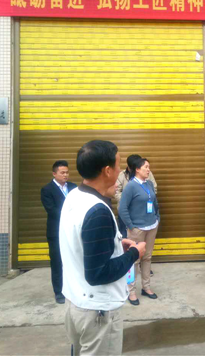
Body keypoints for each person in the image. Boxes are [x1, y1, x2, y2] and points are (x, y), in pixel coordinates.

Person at [59, 140, 146, 356]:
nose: (120, 170)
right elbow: (98, 273)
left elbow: (82, 242)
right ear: (107, 170)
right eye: (118, 165)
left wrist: (116, 243)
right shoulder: (97, 210)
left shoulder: (74, 196)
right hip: (97, 312)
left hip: (75, 303)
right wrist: (134, 253)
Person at [118, 157, 160, 306]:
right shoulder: (130, 186)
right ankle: (131, 291)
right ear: (137, 169)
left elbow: (154, 203)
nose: (148, 169)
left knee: (147, 258)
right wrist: (131, 226)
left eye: (149, 167)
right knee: (133, 260)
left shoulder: (149, 184)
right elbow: (122, 208)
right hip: (137, 229)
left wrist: (157, 218)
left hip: (151, 227)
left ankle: (146, 287)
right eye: (145, 167)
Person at [40, 160, 78, 304]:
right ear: (54, 174)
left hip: (72, 231)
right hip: (56, 232)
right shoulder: (47, 190)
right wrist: (70, 214)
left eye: (67, 172)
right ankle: (59, 291)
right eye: (62, 173)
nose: (65, 175)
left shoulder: (73, 187)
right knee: (57, 262)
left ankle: (72, 288)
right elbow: (52, 210)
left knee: (73, 260)